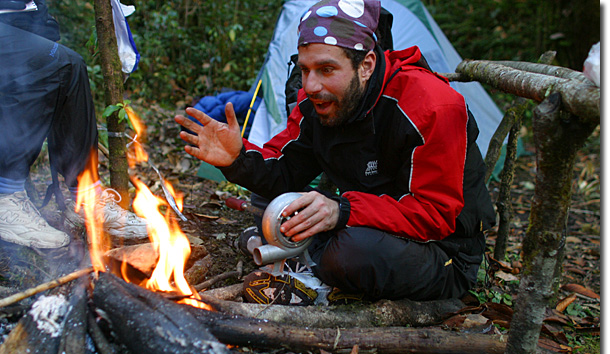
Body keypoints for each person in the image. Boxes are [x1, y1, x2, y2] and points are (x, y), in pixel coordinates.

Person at [175, 0, 496, 304]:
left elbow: (434, 215)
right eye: (305, 69)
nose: (311, 85)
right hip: (366, 222)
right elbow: (283, 170)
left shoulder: (431, 106)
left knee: (350, 254)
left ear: (367, 65)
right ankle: (294, 253)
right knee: (272, 203)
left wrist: (340, 210)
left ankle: (303, 266)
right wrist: (238, 159)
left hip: (442, 252)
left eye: (326, 69)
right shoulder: (317, 102)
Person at [0, 0, 148, 249]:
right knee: (63, 65)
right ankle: (6, 196)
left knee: (72, 68)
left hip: (21, 17)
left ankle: (85, 197)